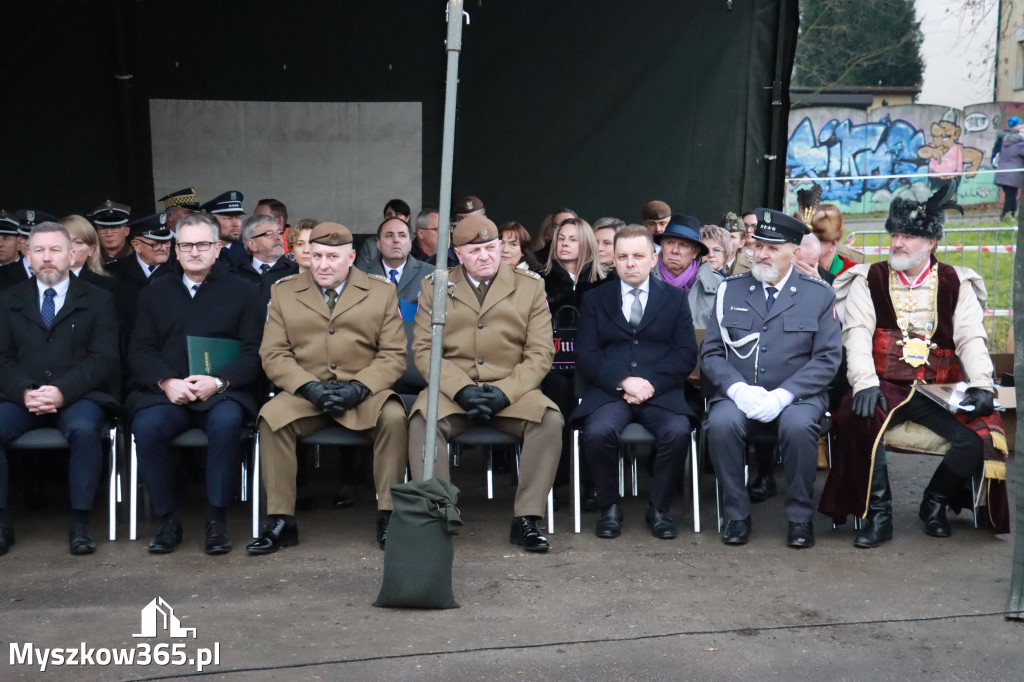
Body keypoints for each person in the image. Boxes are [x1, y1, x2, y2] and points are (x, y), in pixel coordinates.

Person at [819, 184, 1009, 546]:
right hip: (884, 383)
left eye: (909, 235)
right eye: (895, 234)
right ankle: (879, 514)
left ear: (931, 241)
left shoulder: (958, 281)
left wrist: (983, 384)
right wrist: (864, 383)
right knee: (858, 417)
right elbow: (856, 334)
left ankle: (934, 502)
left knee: (981, 435)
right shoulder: (866, 278)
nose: (898, 243)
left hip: (939, 389)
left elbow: (970, 337)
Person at [250, 222, 408, 554]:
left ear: (351, 257)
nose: (323, 264)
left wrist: (360, 388)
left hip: (364, 392)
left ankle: (390, 514)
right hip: (307, 394)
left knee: (394, 418)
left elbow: (393, 355)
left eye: (332, 257)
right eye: (317, 255)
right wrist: (307, 387)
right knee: (271, 418)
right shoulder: (283, 290)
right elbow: (273, 353)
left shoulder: (381, 291)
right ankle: (281, 520)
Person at [407, 215, 562, 552]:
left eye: (491, 248)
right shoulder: (436, 286)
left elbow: (539, 353)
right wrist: (460, 389)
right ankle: (438, 517)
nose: (485, 256)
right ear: (458, 254)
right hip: (454, 389)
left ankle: (527, 519)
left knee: (549, 420)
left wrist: (506, 393)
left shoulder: (530, 286)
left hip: (511, 388)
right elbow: (424, 349)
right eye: (474, 250)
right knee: (423, 421)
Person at [701, 209, 841, 548]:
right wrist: (736, 389)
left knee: (796, 426)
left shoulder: (818, 295)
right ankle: (736, 515)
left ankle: (799, 518)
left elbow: (827, 359)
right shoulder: (730, 291)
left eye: (772, 248)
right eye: (758, 245)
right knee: (720, 423)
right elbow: (712, 353)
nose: (762, 254)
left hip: (798, 398)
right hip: (740, 394)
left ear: (795, 251)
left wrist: (784, 395)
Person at [127, 213, 266, 555]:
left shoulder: (245, 293)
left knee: (226, 423)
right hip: (168, 394)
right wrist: (165, 381)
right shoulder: (154, 293)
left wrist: (219, 381)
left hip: (222, 392)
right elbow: (139, 349)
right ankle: (167, 520)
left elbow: (256, 351)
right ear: (175, 250)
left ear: (218, 248)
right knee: (146, 427)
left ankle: (216, 520)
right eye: (186, 245)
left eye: (203, 244)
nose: (194, 251)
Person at [0, 222, 119, 555]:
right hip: (21, 396)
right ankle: (1, 524)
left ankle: (80, 523)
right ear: (28, 255)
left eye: (55, 250)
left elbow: (103, 359)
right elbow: (2, 358)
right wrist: (25, 391)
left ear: (72, 254)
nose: (47, 258)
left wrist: (62, 391)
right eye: (39, 250)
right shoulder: (7, 300)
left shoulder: (99, 300)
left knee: (84, 429)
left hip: (78, 396)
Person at [572, 224, 698, 539]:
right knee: (598, 432)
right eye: (623, 256)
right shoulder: (594, 299)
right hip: (610, 390)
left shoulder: (674, 299)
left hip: (660, 391)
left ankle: (659, 510)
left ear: (653, 259)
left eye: (638, 256)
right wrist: (624, 381)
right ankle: (609, 508)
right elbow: (585, 354)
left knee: (677, 431)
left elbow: (685, 354)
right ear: (612, 260)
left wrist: (650, 384)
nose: (630, 263)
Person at [359, 217, 432, 304]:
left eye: (402, 235)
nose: (396, 240)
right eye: (389, 235)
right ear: (378, 244)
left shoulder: (430, 274)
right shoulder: (361, 275)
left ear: (410, 243)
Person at [541, 217, 606, 313]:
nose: (565, 243)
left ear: (587, 244)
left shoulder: (605, 282)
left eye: (573, 240)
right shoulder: (539, 279)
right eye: (561, 238)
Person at [235, 213, 299, 300]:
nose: (278, 238)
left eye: (279, 233)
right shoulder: (235, 272)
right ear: (252, 244)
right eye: (269, 234)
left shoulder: (295, 272)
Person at [58, 215, 116, 292]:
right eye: (64, 240)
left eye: (78, 242)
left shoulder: (106, 285)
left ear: (91, 250)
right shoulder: (39, 279)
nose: (70, 247)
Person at [200, 190, 247, 267]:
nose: (236, 224)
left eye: (238, 218)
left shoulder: (250, 250)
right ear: (211, 221)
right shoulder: (198, 249)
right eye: (229, 218)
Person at [811, 204, 856, 278]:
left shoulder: (853, 271)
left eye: (818, 241)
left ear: (833, 244)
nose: (810, 245)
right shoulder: (798, 266)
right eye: (810, 239)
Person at [995, 116, 1024, 220]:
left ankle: (1011, 215)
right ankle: (1005, 216)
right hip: (1012, 175)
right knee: (1011, 197)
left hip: (1003, 174)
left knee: (1010, 196)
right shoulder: (1019, 144)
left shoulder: (1005, 142)